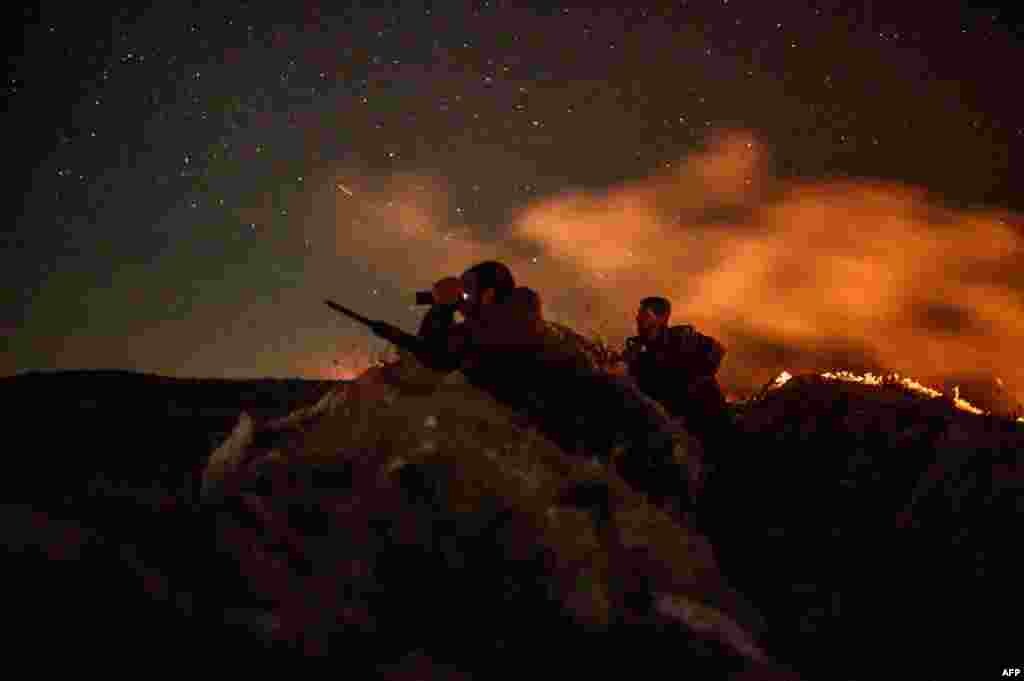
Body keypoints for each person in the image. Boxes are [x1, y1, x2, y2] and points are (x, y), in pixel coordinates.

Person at [415, 262, 702, 514]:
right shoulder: (516, 322)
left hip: (629, 435)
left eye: (466, 292)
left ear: (488, 295)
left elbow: (436, 353)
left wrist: (441, 308)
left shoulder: (506, 322)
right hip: (620, 433)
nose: (461, 300)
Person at [622, 297, 730, 452]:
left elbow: (717, 351)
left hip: (704, 425)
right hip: (668, 428)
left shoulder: (681, 338)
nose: (638, 318)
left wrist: (690, 385)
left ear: (661, 318)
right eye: (639, 314)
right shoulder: (637, 352)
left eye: (645, 314)